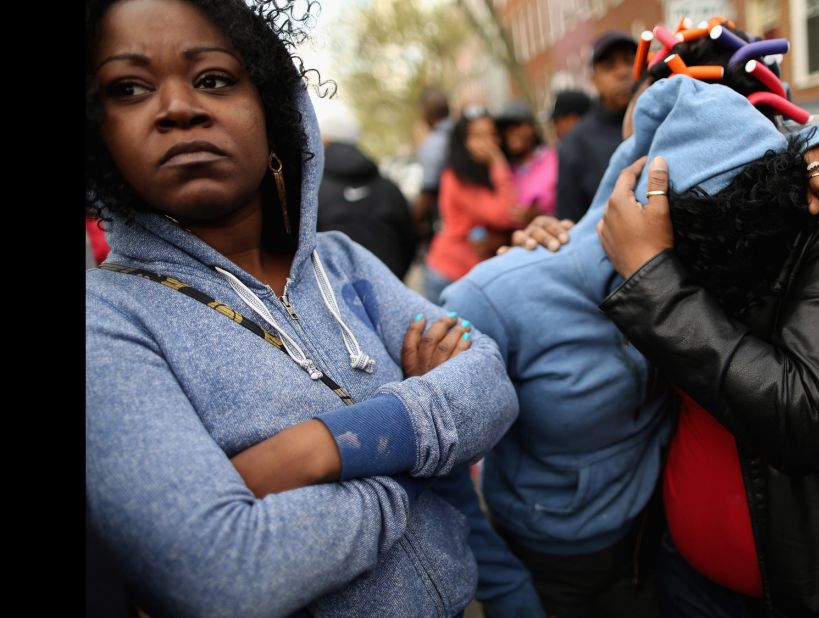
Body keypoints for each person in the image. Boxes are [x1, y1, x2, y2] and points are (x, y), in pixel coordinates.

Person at [443, 21, 819, 616]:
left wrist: (649, 273)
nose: (645, 155)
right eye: (638, 139)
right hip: (676, 568)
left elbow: (803, 415)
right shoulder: (687, 237)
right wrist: (556, 251)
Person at [85, 2, 518, 616]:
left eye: (213, 78)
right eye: (128, 88)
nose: (179, 107)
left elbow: (490, 384)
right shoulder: (107, 320)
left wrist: (318, 449)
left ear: (272, 108)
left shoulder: (342, 262)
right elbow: (224, 572)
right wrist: (414, 459)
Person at [422, 106, 537, 303]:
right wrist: (498, 161)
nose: (489, 143)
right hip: (450, 274)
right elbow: (507, 214)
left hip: (472, 274)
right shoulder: (457, 177)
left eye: (492, 134)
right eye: (478, 136)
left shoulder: (484, 173)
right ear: (463, 142)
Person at [315, 100, 417, 279]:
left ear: (324, 140)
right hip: (390, 290)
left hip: (334, 296)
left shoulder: (312, 192)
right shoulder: (388, 188)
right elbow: (410, 240)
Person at [554, 30, 636, 223]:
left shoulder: (666, 118)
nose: (622, 72)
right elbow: (570, 222)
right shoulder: (575, 144)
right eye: (609, 66)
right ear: (593, 80)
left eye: (630, 60)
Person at [497, 100, 558, 217]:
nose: (511, 132)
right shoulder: (504, 167)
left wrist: (537, 215)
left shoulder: (554, 160)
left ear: (532, 127)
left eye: (517, 125)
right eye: (505, 128)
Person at [413, 87, 454, 247]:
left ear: (426, 114)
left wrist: (413, 220)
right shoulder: (464, 133)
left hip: (448, 223)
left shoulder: (433, 144)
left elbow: (429, 191)